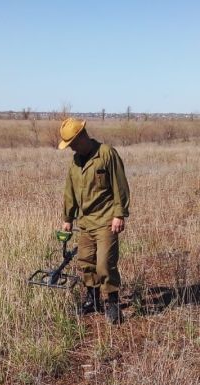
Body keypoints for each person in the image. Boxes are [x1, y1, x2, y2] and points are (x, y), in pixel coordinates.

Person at [59, 117, 130, 324]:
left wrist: (119, 214)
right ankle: (92, 300)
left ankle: (112, 303)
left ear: (82, 136)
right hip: (86, 222)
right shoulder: (76, 161)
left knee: (105, 264)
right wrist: (67, 218)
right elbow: (70, 191)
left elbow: (121, 185)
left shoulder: (107, 153)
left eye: (72, 143)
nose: (71, 148)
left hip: (107, 219)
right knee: (86, 263)